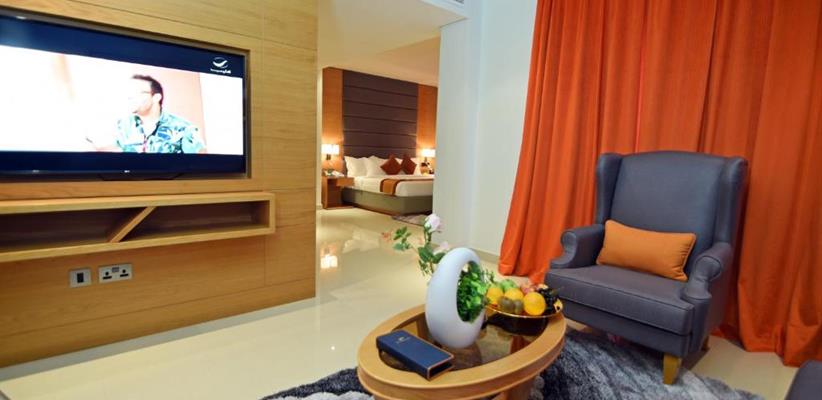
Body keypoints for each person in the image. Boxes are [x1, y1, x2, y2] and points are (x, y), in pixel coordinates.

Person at [115, 74, 204, 153]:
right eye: (129, 93)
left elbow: (200, 162)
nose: (130, 97)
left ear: (156, 97)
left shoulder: (183, 128)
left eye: (137, 92)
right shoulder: (123, 126)